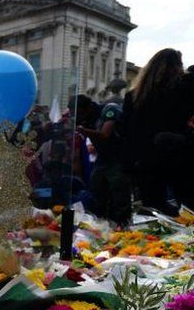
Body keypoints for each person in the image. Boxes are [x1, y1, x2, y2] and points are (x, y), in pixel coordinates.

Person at [120, 48, 186, 213]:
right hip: (175, 161)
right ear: (173, 68)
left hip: (144, 164)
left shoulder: (133, 97)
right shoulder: (179, 93)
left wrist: (130, 165)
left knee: (152, 210)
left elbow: (126, 133)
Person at [72, 95, 130, 224]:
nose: (79, 117)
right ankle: (100, 224)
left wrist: (82, 130)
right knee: (97, 190)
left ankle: (122, 226)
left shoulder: (109, 110)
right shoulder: (84, 119)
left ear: (89, 108)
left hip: (118, 158)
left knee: (119, 193)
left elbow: (105, 134)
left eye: (80, 113)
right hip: (102, 158)